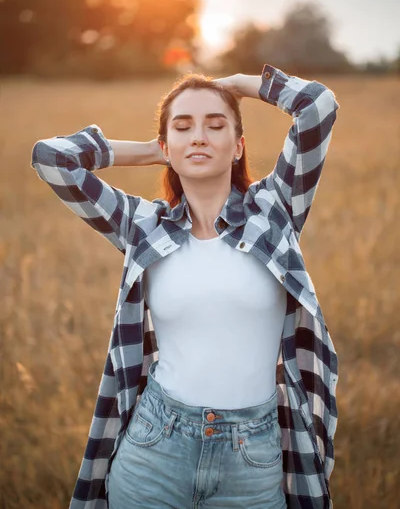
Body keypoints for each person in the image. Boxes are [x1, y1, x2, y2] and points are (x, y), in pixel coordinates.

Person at [31, 62, 339, 509]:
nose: (199, 136)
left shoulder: (275, 209)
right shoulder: (141, 225)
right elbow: (52, 158)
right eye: (183, 127)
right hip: (155, 446)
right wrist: (150, 151)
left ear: (238, 147)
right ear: (166, 144)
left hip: (252, 455)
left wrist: (230, 86)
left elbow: (317, 106)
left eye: (216, 126)